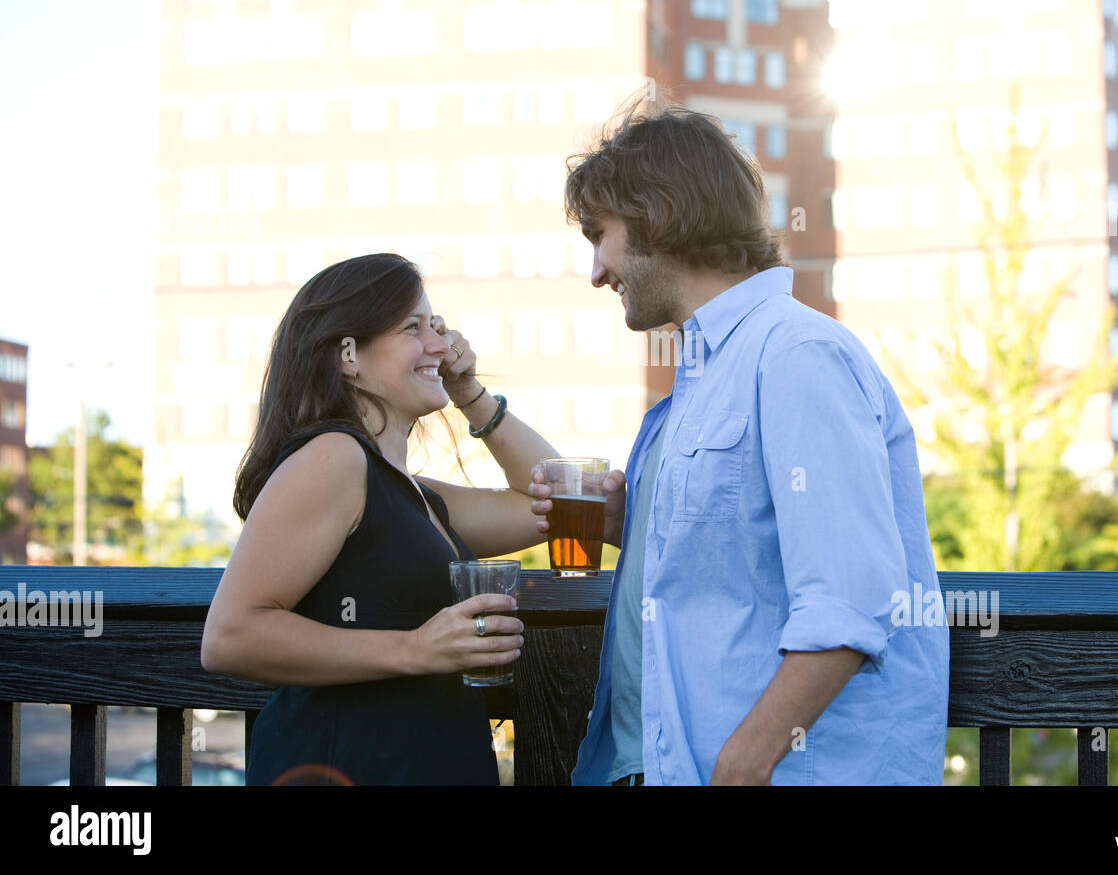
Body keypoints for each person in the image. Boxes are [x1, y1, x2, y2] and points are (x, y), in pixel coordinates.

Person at [530, 105, 950, 785]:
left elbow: (847, 601)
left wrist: (740, 766)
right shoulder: (699, 381)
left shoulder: (795, 356)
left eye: (599, 235)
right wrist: (630, 529)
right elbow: (741, 559)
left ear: (658, 214)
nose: (598, 271)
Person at [202, 253, 557, 785]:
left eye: (436, 326)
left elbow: (551, 505)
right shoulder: (334, 458)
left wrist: (470, 394)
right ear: (348, 355)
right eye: (413, 328)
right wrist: (416, 648)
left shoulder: (413, 494)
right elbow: (231, 636)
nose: (442, 343)